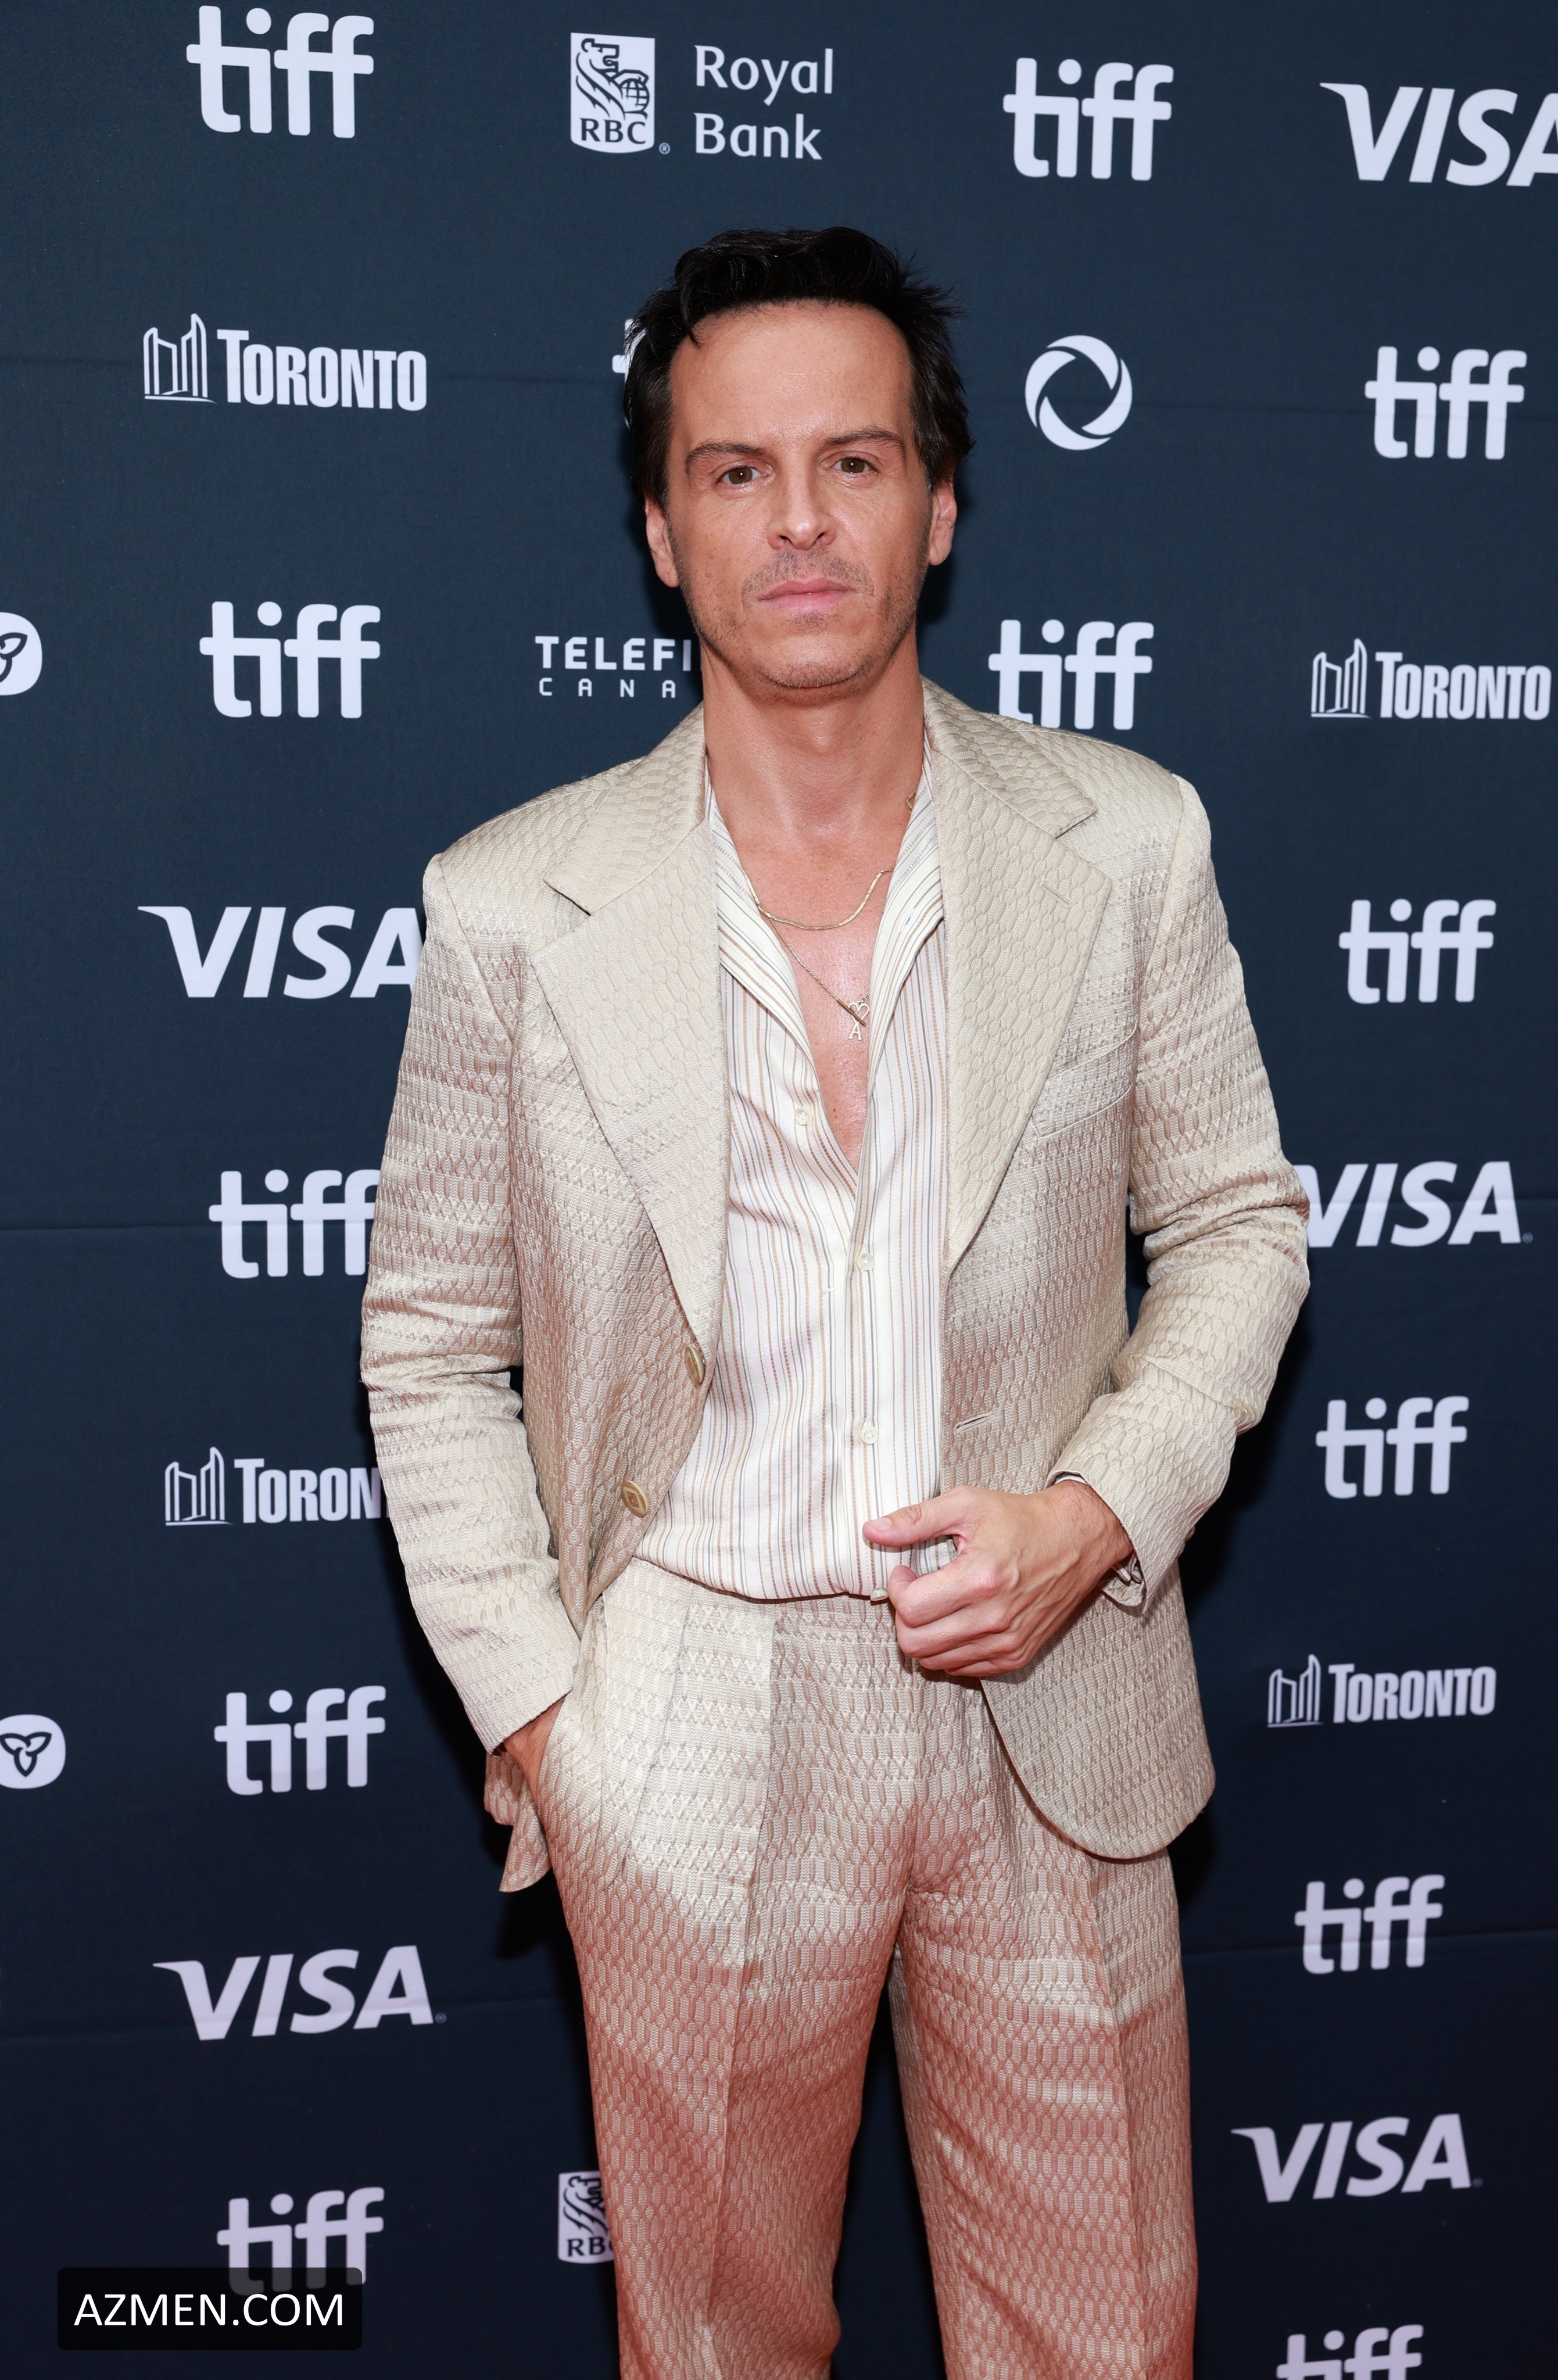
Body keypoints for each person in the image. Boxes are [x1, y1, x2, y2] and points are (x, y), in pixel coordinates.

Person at [361, 225, 1308, 2380]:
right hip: (688, 1712)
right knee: (711, 2350)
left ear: (940, 504)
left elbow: (1238, 1230)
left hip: (1049, 1698)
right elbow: (425, 1339)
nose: (799, 520)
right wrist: (551, 1719)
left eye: (855, 462)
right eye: (736, 471)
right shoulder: (509, 905)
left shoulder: (1124, 841)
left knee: (1104, 2339)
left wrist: (1091, 1515)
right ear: (660, 530)